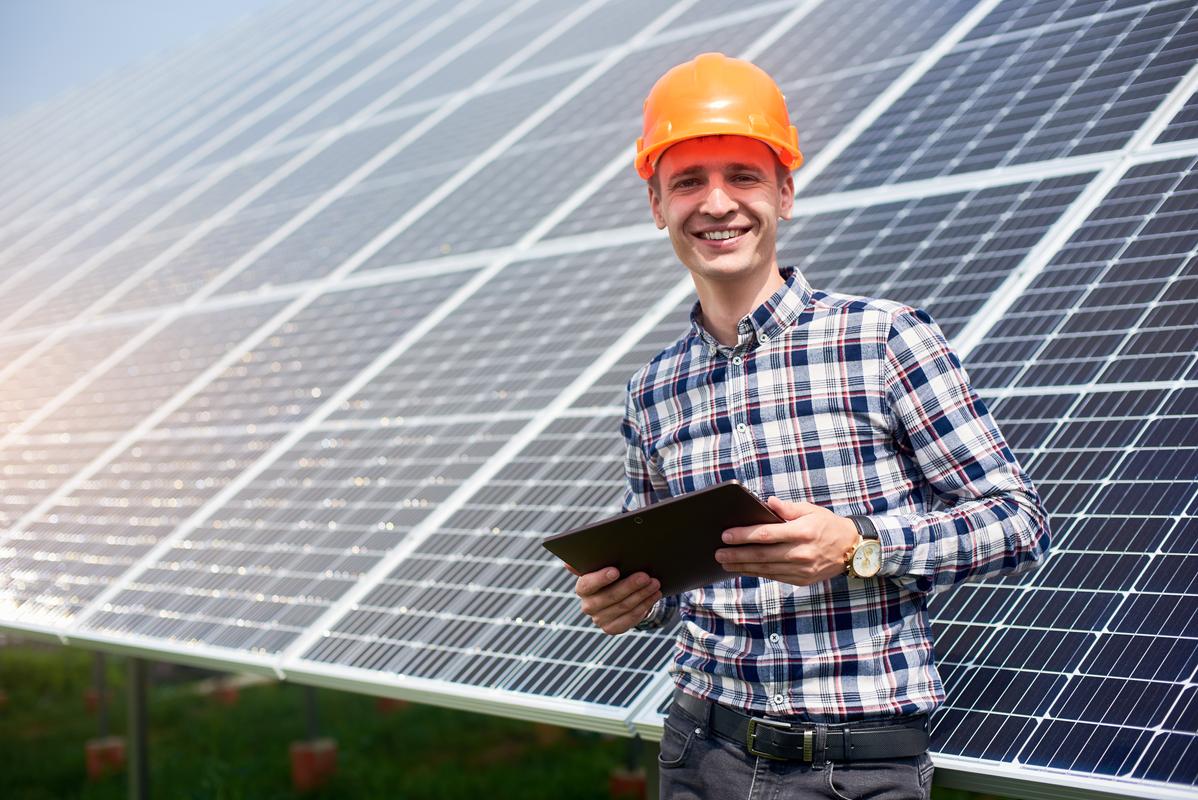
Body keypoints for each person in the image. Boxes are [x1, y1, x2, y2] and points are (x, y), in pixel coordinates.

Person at [570, 53, 1050, 799]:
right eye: (689, 181)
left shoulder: (886, 340)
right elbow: (669, 583)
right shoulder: (653, 391)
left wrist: (858, 546)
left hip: (854, 768)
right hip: (698, 753)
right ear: (657, 205)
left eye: (744, 176)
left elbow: (1019, 524)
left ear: (785, 193)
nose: (717, 203)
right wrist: (626, 598)